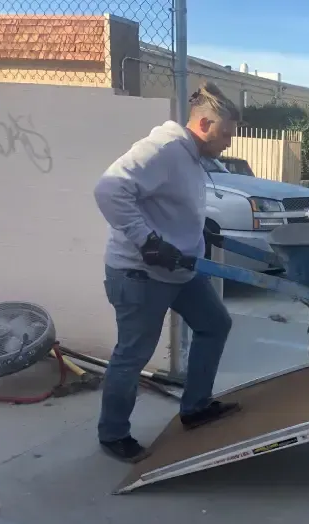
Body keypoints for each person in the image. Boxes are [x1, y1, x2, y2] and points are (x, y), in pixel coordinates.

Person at [93, 82, 241, 463]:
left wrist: (197, 227)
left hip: (180, 271)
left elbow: (167, 201)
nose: (228, 144)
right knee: (133, 354)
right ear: (204, 124)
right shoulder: (163, 149)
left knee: (215, 324)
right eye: (225, 134)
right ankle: (113, 434)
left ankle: (194, 408)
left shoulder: (190, 156)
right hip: (140, 272)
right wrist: (148, 242)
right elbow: (109, 190)